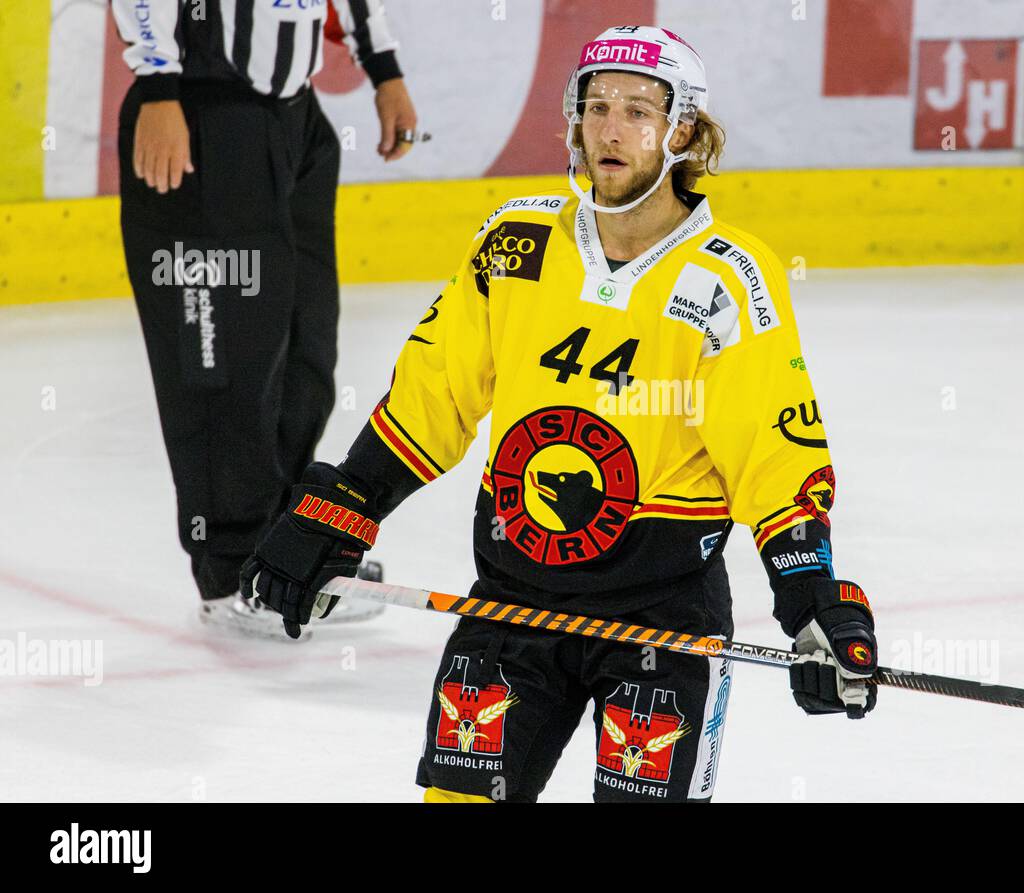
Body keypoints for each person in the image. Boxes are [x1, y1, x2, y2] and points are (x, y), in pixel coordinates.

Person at [242, 25, 878, 801]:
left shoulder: (727, 280)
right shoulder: (516, 243)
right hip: (513, 598)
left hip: (662, 617)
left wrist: (813, 599)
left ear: (684, 131)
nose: (610, 129)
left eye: (640, 111)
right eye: (596, 105)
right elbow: (432, 393)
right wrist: (346, 505)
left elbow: (774, 458)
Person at [112, 0, 419, 639]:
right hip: (202, 112)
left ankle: (282, 554)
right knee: (224, 360)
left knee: (306, 351)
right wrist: (158, 86)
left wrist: (384, 68)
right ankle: (232, 571)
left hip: (294, 119)